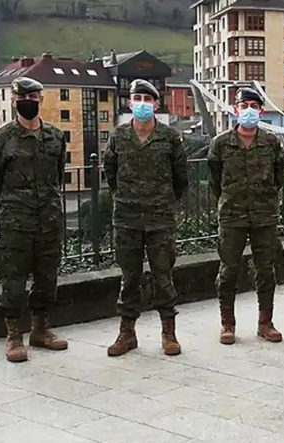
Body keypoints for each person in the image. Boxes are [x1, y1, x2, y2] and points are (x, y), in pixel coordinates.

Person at [0, 77, 69, 363]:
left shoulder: (56, 137)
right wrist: (14, 204)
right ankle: (13, 336)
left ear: (41, 100)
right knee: (13, 280)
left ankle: (41, 330)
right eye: (24, 97)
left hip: (48, 219)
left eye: (34, 98)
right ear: (14, 100)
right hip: (16, 222)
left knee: (47, 277)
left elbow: (58, 175)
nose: (29, 102)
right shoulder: (2, 138)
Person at [104, 79, 188, 357]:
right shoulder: (118, 136)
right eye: (137, 98)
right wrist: (126, 197)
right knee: (130, 278)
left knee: (163, 276)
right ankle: (127, 333)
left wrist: (162, 202)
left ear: (156, 104)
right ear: (129, 103)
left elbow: (180, 179)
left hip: (160, 219)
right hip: (127, 218)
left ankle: (169, 332)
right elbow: (110, 173)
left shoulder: (170, 137)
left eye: (147, 99)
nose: (142, 103)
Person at [207, 88, 284, 345]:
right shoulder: (220, 144)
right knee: (228, 271)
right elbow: (214, 181)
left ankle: (266, 323)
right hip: (232, 216)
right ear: (235, 109)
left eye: (254, 105)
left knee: (266, 270)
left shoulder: (272, 142)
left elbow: (278, 177)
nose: (249, 110)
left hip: (265, 216)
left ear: (261, 110)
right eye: (244, 105)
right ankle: (227, 324)